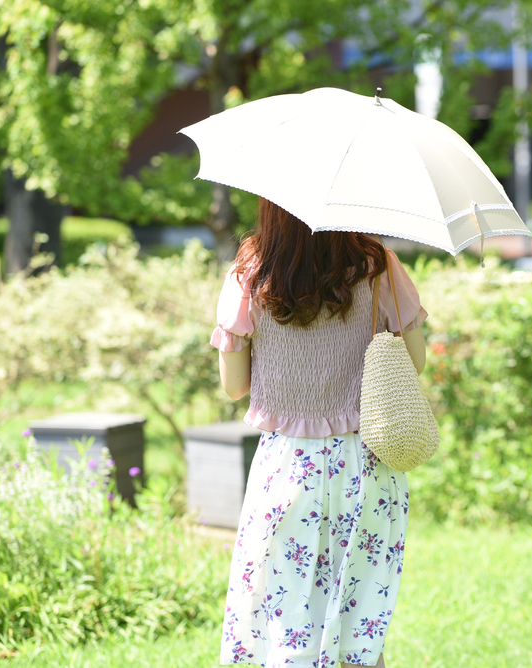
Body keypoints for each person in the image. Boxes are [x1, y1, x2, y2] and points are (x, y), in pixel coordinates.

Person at [210, 198, 427, 668]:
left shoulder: (249, 271)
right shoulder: (378, 265)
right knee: (359, 619)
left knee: (287, 615)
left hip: (287, 467)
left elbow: (234, 388)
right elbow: (415, 362)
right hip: (366, 467)